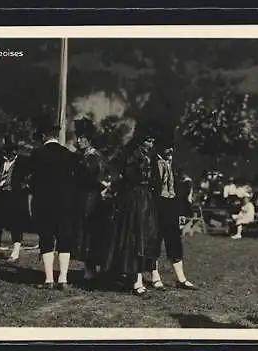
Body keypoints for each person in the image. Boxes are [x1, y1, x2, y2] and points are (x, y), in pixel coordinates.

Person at [102, 122, 162, 296]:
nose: (150, 144)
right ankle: (136, 281)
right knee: (135, 237)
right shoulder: (132, 156)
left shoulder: (148, 157)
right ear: (140, 141)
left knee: (147, 236)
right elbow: (126, 177)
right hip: (134, 199)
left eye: (152, 141)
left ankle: (148, 275)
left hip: (145, 199)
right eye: (147, 141)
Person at [24, 120, 82, 290]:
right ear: (56, 136)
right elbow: (78, 178)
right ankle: (63, 279)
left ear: (43, 136)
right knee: (65, 238)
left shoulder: (37, 154)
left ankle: (49, 279)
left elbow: (29, 178)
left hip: (44, 202)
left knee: (46, 238)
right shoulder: (69, 154)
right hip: (66, 203)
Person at [151, 137, 197, 290]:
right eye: (166, 147)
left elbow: (181, 190)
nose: (170, 151)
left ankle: (181, 279)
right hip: (156, 206)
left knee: (174, 241)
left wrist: (182, 211)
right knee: (154, 242)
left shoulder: (175, 165)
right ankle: (155, 276)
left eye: (171, 147)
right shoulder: (151, 163)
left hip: (171, 206)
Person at [72, 118, 109, 288]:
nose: (78, 141)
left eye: (82, 138)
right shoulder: (83, 157)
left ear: (89, 140)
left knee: (90, 233)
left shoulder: (94, 157)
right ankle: (89, 267)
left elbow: (97, 179)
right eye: (78, 137)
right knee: (85, 233)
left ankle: (92, 269)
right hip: (83, 198)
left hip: (93, 199)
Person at [0, 139, 30, 263]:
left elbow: (29, 177)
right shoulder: (1, 163)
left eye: (13, 152)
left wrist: (23, 186)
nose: (10, 154)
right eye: (8, 152)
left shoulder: (22, 163)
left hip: (14, 196)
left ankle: (15, 254)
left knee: (16, 224)